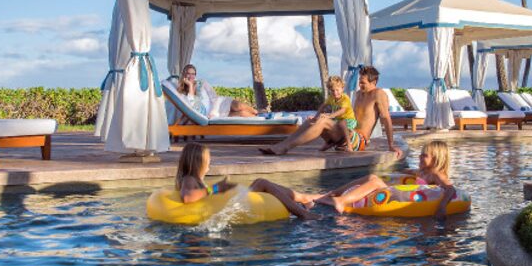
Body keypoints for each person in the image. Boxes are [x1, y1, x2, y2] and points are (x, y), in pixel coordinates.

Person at [262, 66, 402, 156]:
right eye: (360, 81)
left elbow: (386, 119)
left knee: (323, 121)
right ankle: (281, 145)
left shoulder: (379, 94)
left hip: (359, 141)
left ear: (374, 82)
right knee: (313, 121)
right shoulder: (359, 94)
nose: (360, 84)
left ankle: (284, 148)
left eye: (363, 82)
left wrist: (391, 145)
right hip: (347, 133)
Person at [313, 139, 458, 217]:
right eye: (420, 154)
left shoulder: (437, 174)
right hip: (397, 194)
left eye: (424, 155)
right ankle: (334, 193)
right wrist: (400, 168)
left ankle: (341, 201)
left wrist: (441, 206)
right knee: (372, 176)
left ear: (437, 159)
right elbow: (409, 172)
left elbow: (450, 189)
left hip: (397, 198)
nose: (419, 157)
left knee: (375, 181)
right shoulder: (422, 172)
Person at [175, 141, 314, 220]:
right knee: (262, 182)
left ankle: (301, 199)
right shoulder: (189, 179)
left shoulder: (194, 179)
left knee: (262, 183)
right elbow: (187, 197)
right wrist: (216, 188)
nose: (210, 164)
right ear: (198, 163)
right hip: (231, 206)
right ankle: (303, 213)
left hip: (229, 204)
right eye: (207, 161)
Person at [173, 64, 259, 118]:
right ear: (184, 74)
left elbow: (214, 97)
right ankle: (259, 119)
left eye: (193, 74)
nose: (191, 76)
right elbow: (192, 104)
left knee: (239, 106)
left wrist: (213, 111)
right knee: (242, 114)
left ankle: (259, 114)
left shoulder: (202, 83)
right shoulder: (182, 92)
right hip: (214, 115)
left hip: (219, 104)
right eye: (188, 73)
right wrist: (190, 86)